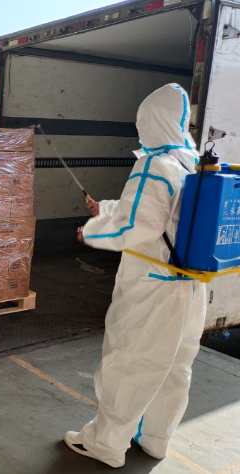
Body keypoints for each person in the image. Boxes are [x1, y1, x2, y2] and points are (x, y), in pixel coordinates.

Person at [66, 84, 207, 468]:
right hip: (189, 286)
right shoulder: (191, 163)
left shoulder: (154, 164)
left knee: (130, 363)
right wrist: (105, 209)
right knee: (174, 367)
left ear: (151, 121)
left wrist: (90, 231)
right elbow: (157, 213)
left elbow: (138, 225)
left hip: (152, 286)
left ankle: (105, 444)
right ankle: (156, 439)